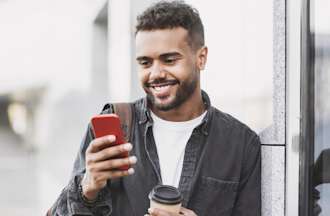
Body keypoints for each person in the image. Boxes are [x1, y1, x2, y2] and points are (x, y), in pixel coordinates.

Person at [49, 1, 261, 215]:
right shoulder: (112, 129)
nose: (155, 73)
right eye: (145, 63)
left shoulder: (241, 144)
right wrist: (87, 189)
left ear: (201, 58)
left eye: (169, 60)